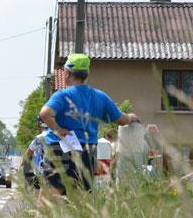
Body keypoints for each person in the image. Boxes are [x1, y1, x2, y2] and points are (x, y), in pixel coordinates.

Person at [39, 53, 140, 195]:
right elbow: (121, 119)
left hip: (60, 151)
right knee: (80, 202)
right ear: (86, 74)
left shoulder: (62, 95)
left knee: (48, 201)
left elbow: (45, 113)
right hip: (87, 152)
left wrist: (58, 129)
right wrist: (131, 117)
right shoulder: (100, 96)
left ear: (67, 73)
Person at [23, 116, 48, 191]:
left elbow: (28, 153)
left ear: (40, 124)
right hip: (56, 171)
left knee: (39, 196)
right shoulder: (58, 134)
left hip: (41, 171)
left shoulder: (39, 137)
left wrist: (21, 165)